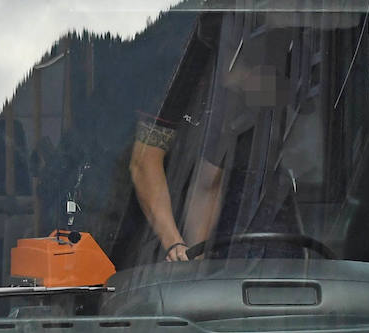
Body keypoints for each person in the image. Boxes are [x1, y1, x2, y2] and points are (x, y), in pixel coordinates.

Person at [129, 15, 313, 262]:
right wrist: (174, 243)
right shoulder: (178, 73)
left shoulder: (248, 99)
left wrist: (195, 257)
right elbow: (144, 162)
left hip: (237, 194)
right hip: (145, 202)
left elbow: (209, 182)